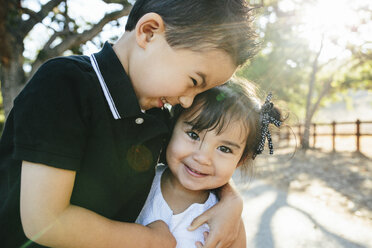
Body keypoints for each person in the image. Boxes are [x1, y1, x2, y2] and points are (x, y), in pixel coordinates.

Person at [0, 0, 259, 247]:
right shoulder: (64, 84)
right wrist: (148, 241)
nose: (188, 102)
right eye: (193, 81)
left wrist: (230, 202)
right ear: (148, 32)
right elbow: (45, 221)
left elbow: (195, 156)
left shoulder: (154, 116)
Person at [135, 79, 284, 248]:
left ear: (240, 160)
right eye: (193, 135)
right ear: (172, 127)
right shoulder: (140, 179)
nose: (202, 157)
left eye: (224, 149)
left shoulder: (227, 223)